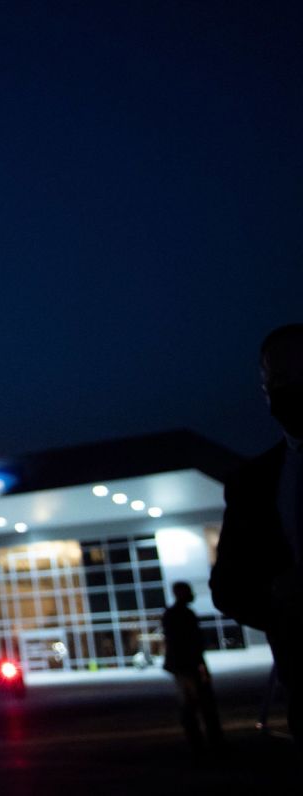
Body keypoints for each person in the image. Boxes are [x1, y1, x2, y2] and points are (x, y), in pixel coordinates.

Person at [211, 323, 303, 746]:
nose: (289, 389)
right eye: (277, 380)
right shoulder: (253, 483)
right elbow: (228, 587)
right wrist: (279, 600)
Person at [161, 581, 223, 753]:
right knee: (198, 704)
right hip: (187, 665)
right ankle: (205, 742)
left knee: (190, 704)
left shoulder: (174, 614)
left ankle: (198, 742)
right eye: (188, 591)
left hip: (183, 665)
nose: (191, 594)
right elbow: (191, 643)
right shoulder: (182, 614)